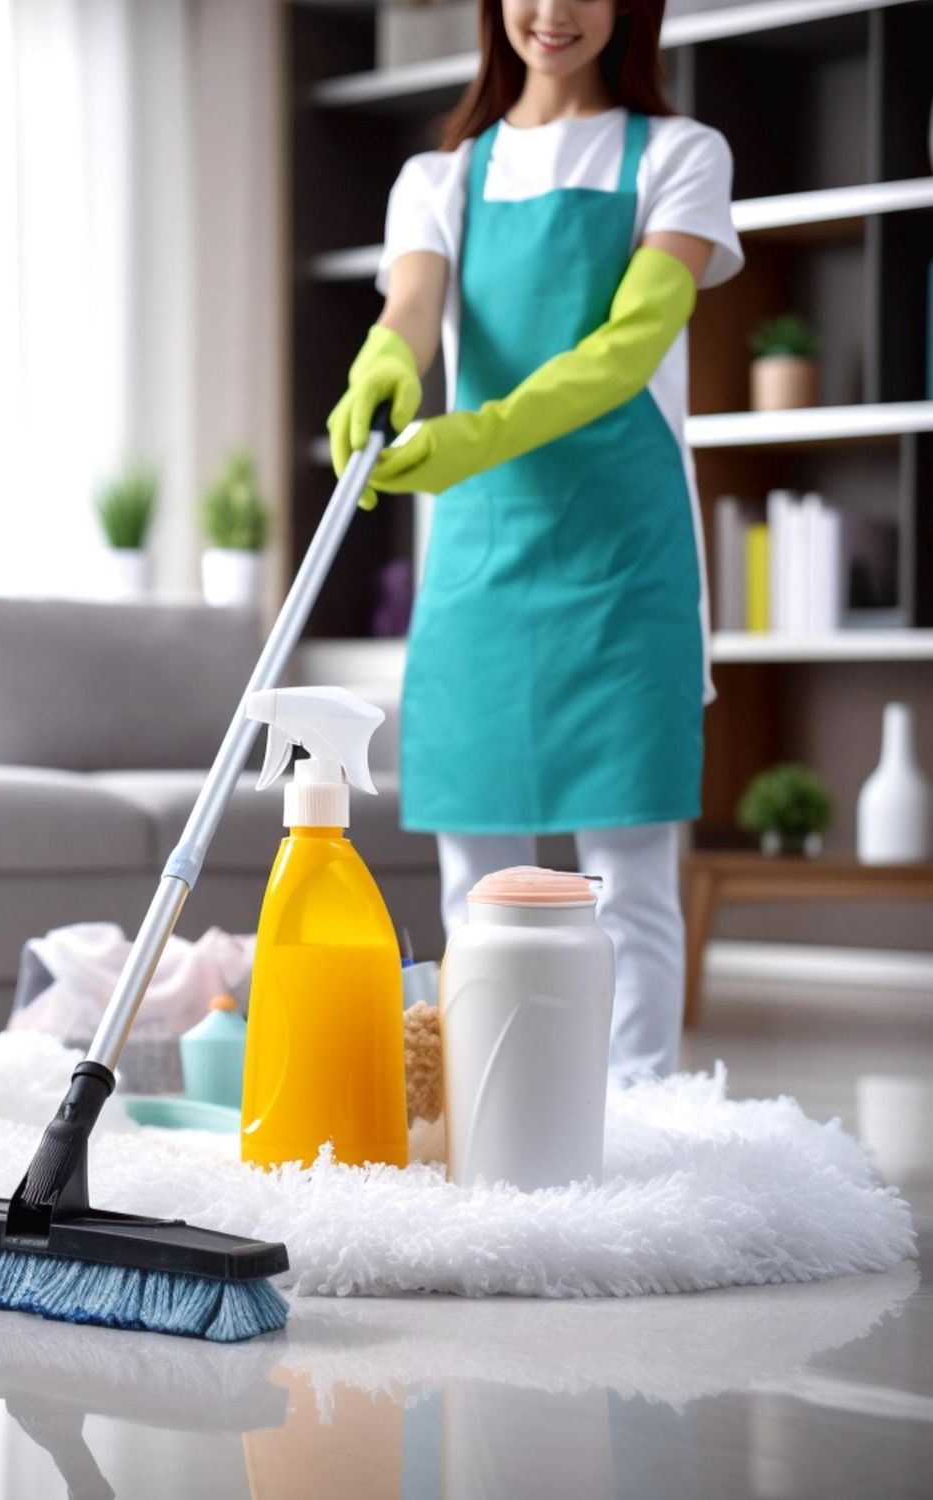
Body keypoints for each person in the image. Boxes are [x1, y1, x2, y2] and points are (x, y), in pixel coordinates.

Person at [329, 0, 743, 1075]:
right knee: (476, 892)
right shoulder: (439, 179)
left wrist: (477, 434)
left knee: (630, 883)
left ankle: (643, 1123)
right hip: (482, 563)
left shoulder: (682, 156)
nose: (554, 11)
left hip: (624, 560)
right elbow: (411, 308)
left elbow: (630, 343)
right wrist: (383, 362)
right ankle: (490, 1112)